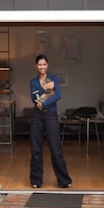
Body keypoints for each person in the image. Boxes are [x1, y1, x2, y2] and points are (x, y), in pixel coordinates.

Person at [28, 54, 72, 188]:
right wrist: (48, 90)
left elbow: (58, 95)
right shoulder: (32, 82)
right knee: (36, 148)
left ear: (47, 65)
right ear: (36, 66)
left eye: (44, 64)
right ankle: (36, 180)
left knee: (55, 147)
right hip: (37, 117)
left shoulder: (53, 78)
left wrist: (43, 102)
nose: (42, 67)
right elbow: (33, 98)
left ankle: (64, 180)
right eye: (39, 64)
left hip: (51, 116)